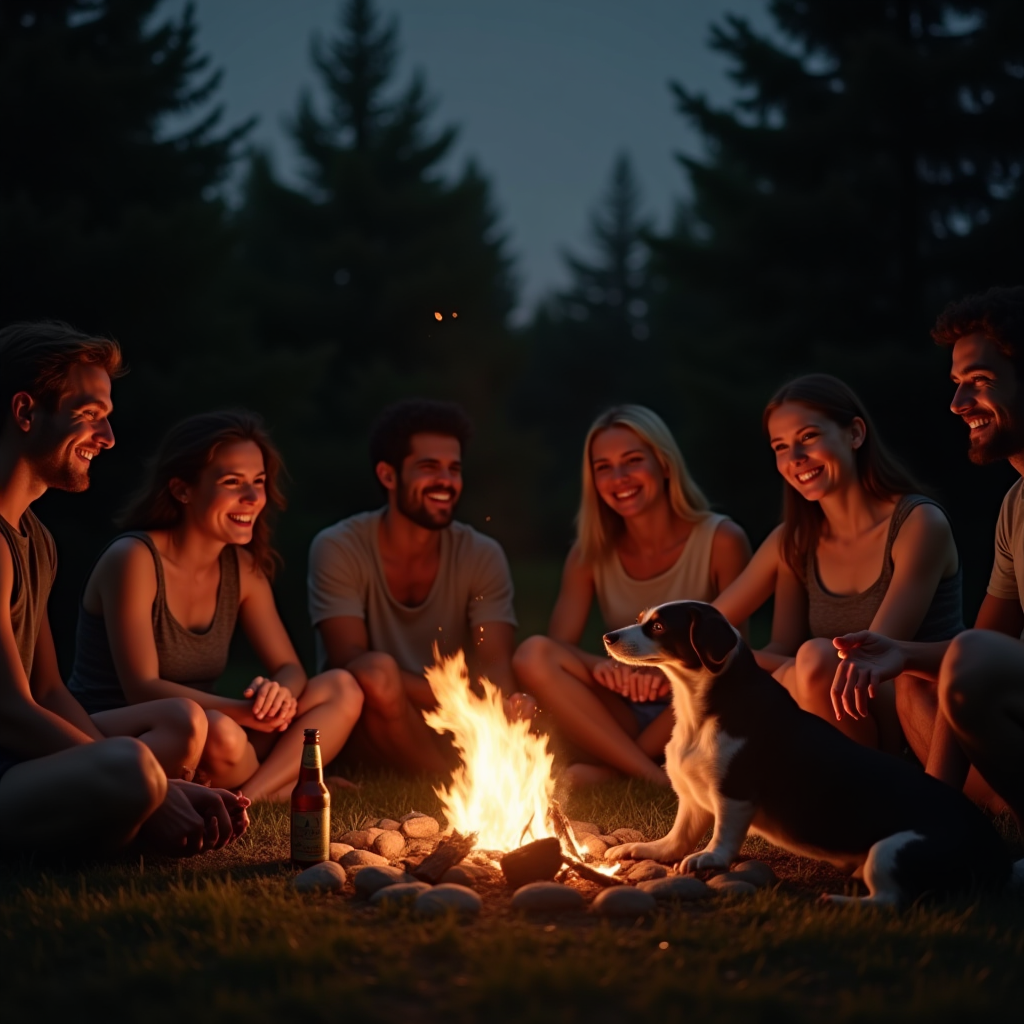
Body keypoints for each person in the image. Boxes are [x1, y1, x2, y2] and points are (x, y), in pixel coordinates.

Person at [0, 321, 248, 856]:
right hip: (6, 773)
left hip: (23, 765)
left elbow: (47, 691)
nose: (107, 439)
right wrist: (152, 790)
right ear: (25, 412)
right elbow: (9, 709)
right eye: (89, 417)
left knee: (179, 724)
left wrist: (164, 786)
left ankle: (130, 806)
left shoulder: (35, 538)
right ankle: (132, 814)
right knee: (132, 769)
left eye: (107, 420)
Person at [68, 410, 363, 801]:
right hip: (132, 731)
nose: (254, 497)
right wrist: (243, 712)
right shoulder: (134, 558)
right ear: (182, 489)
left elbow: (290, 667)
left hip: (216, 732)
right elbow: (142, 688)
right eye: (232, 482)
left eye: (258, 482)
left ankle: (250, 797)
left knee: (341, 687)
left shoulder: (241, 567)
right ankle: (280, 784)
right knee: (221, 732)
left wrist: (279, 695)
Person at [832, 286, 1024, 824]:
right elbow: (991, 640)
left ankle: (941, 820)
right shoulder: (1015, 503)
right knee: (918, 683)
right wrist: (900, 653)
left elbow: (981, 655)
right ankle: (946, 814)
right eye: (958, 385)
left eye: (979, 383)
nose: (959, 404)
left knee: (962, 658)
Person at [713, 374, 963, 754]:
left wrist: (749, 662)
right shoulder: (795, 539)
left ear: (856, 433)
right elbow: (709, 622)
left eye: (808, 437)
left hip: (923, 718)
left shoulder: (917, 524)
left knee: (809, 661)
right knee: (798, 667)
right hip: (837, 710)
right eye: (780, 447)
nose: (795, 458)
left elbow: (870, 659)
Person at [513, 405, 752, 787]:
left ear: (665, 464)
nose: (618, 478)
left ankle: (622, 769)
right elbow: (558, 649)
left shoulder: (721, 540)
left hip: (694, 703)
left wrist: (666, 670)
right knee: (533, 654)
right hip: (624, 705)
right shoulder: (588, 554)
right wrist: (605, 667)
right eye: (603, 466)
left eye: (632, 460)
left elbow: (734, 654)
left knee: (718, 680)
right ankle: (650, 775)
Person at [308, 399, 518, 773]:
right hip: (370, 722)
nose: (446, 481)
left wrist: (505, 704)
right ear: (388, 476)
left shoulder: (481, 554)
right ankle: (446, 780)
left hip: (457, 726)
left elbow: (495, 661)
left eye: (454, 469)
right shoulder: (339, 546)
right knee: (375, 671)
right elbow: (349, 660)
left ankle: (468, 772)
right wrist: (466, 698)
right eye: (429, 467)